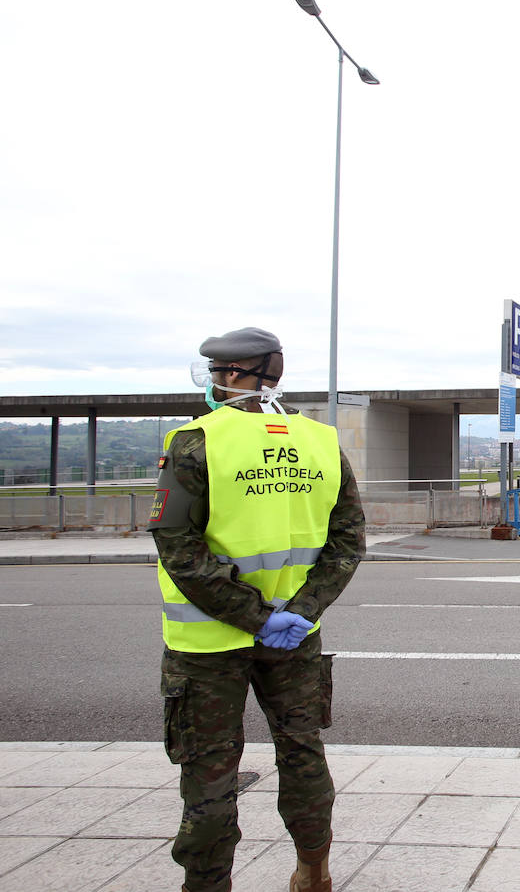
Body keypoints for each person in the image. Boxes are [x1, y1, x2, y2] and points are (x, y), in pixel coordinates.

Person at [149, 327, 365, 892]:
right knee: (303, 753)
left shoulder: (194, 442)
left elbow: (178, 547)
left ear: (232, 376)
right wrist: (300, 610)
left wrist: (254, 616)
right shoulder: (320, 441)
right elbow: (348, 540)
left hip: (207, 645)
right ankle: (314, 870)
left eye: (218, 372)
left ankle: (208, 883)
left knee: (210, 772)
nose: (214, 383)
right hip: (295, 638)